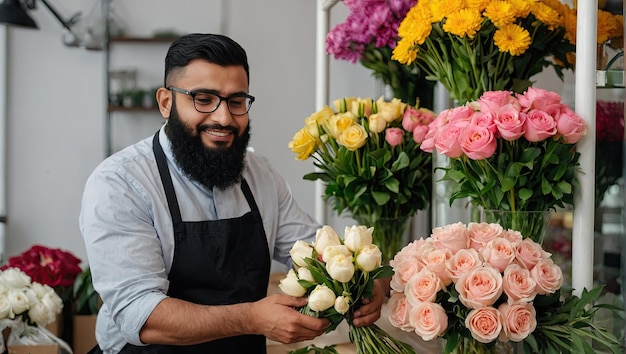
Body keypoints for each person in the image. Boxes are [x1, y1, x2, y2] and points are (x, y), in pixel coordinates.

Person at [79, 33, 388, 354]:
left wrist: (368, 281)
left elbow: (317, 254)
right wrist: (251, 318)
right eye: (203, 99)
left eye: (236, 101)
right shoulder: (120, 183)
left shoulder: (260, 175)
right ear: (166, 102)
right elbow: (141, 316)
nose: (224, 118)